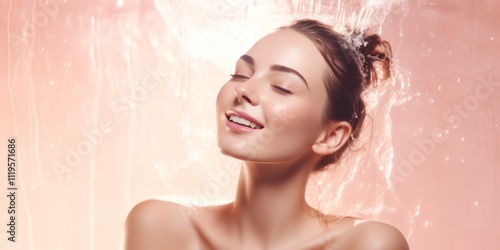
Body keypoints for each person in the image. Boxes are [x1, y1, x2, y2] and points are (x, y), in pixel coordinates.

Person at [123, 18, 410, 250]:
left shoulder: (366, 244)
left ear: (330, 136)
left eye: (282, 87)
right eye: (240, 74)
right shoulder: (159, 227)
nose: (243, 90)